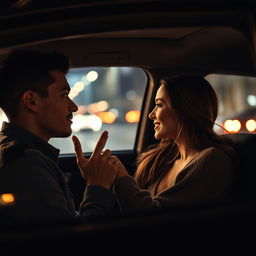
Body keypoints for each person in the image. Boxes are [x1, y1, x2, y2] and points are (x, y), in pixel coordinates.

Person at [73, 75, 237, 215]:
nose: (151, 115)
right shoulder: (165, 157)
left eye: (159, 105)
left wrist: (120, 174)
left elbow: (152, 218)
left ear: (185, 110)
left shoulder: (212, 161)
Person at [0, 49, 119, 223]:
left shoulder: (18, 152)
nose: (74, 107)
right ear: (32, 101)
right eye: (64, 95)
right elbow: (72, 243)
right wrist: (97, 186)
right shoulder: (26, 165)